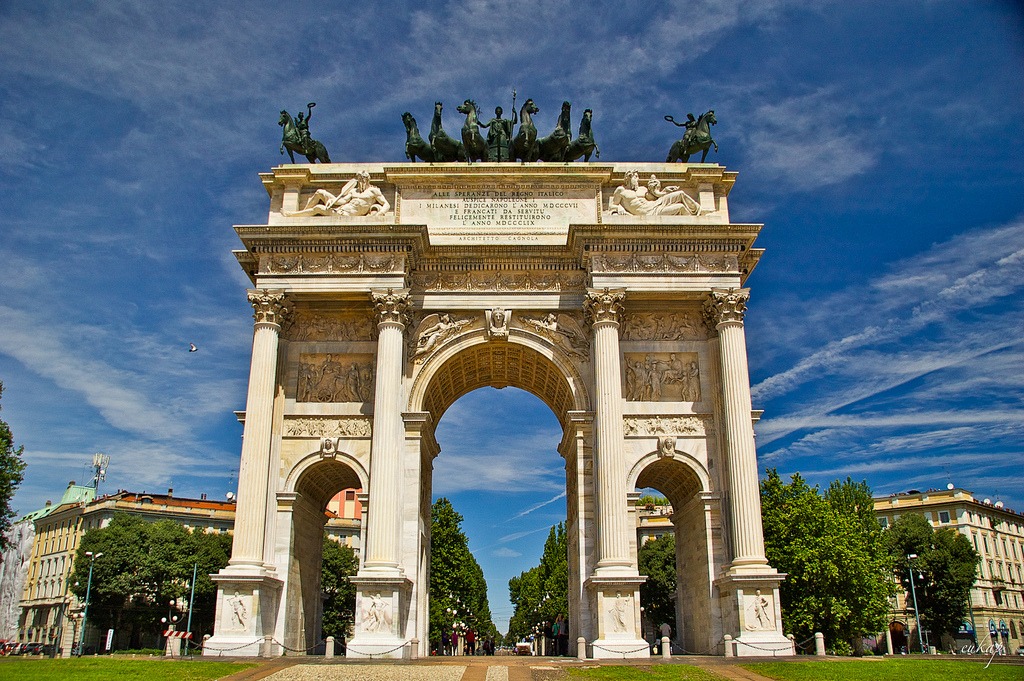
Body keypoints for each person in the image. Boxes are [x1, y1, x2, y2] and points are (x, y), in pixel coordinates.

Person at [285, 171, 391, 217]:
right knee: (320, 192)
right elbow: (342, 201)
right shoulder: (353, 191)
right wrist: (332, 201)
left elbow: (387, 204)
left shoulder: (374, 191)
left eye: (363, 179)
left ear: (367, 180)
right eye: (359, 180)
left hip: (347, 215)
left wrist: (380, 213)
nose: (361, 182)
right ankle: (300, 216)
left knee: (318, 208)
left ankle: (294, 215)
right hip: (340, 210)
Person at [607, 170, 702, 216]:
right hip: (650, 213)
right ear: (628, 178)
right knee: (680, 207)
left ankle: (699, 211)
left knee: (680, 193)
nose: (638, 179)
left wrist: (665, 191)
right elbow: (611, 206)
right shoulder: (621, 190)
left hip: (655, 205)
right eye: (635, 177)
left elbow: (656, 196)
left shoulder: (642, 189)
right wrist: (618, 207)